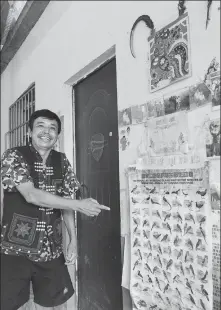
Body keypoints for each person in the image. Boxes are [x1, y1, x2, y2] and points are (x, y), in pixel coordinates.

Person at [0, 109, 110, 310]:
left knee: (55, 304)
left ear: (57, 136)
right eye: (40, 126)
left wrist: (73, 240)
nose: (46, 132)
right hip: (16, 248)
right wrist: (80, 204)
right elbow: (31, 195)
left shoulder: (62, 161)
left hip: (51, 249)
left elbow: (65, 201)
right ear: (29, 132)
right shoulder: (13, 156)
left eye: (53, 128)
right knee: (12, 304)